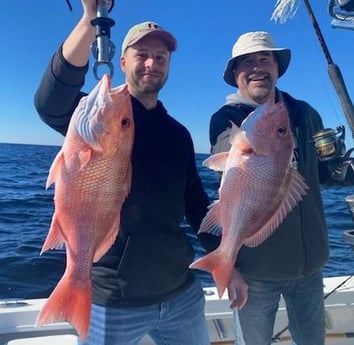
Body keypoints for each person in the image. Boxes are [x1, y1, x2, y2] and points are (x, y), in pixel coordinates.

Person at [34, 1, 211, 345]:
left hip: (181, 293)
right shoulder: (95, 115)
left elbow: (195, 204)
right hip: (111, 303)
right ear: (123, 60)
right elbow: (49, 102)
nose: (151, 63)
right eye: (142, 54)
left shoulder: (179, 134)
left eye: (161, 58)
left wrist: (230, 258)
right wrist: (90, 19)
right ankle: (76, 281)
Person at [203, 31, 354, 345]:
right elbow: (226, 153)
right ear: (235, 75)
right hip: (256, 270)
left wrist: (340, 169)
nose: (257, 67)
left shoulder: (304, 113)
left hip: (310, 265)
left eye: (264, 59)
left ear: (276, 68)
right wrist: (243, 148)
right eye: (247, 62)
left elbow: (323, 174)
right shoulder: (228, 119)